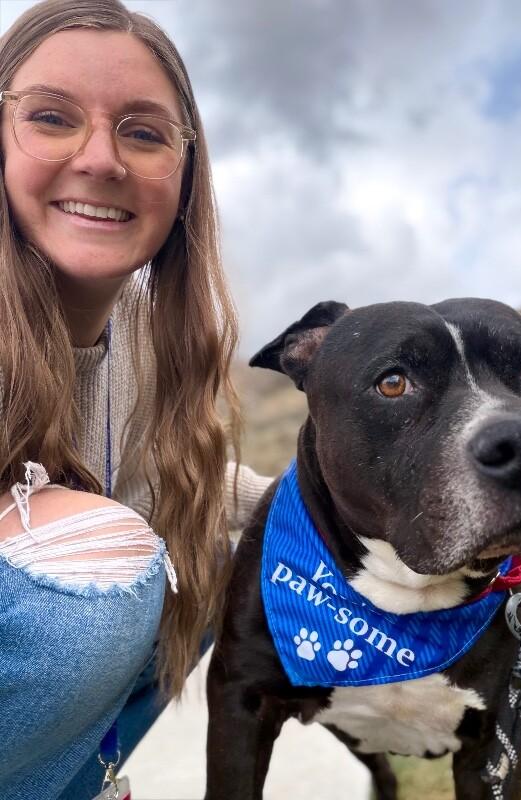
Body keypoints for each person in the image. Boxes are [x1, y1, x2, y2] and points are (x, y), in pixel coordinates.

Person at [0, 0, 271, 797]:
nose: (101, 159)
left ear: (186, 176)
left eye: (145, 132)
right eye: (51, 117)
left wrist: (372, 510)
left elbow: (188, 478)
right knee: (99, 565)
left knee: (231, 565)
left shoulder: (147, 342)